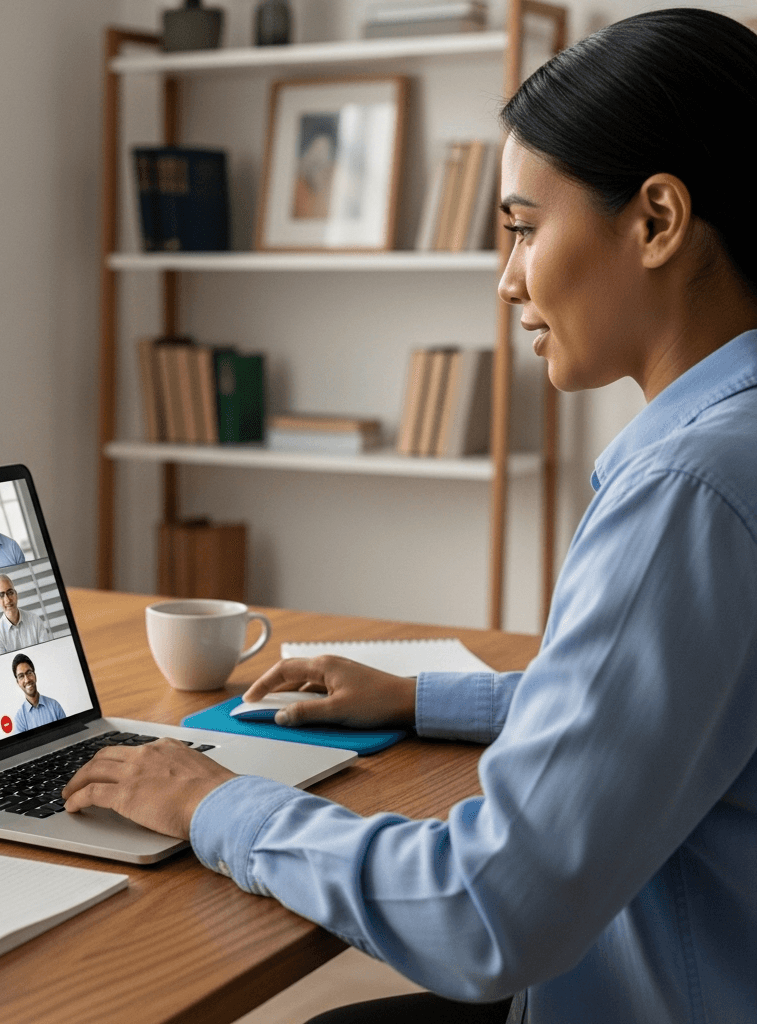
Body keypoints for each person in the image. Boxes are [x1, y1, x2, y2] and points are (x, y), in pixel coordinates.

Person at [59, 10, 757, 1023]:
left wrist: (208, 800)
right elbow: (673, 713)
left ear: (655, 220)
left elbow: (486, 909)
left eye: (522, 227)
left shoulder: (688, 491)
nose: (507, 277)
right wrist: (424, 698)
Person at [0, 573, 52, 655]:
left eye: (10, 593)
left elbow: (47, 652)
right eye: (1, 595)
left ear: (16, 594)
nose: (7, 600)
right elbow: (3, 664)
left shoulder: (35, 620)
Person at [11, 654, 65, 733]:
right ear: (18, 683)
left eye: (29, 673)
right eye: (21, 676)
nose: (27, 680)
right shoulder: (19, 719)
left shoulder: (54, 706)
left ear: (35, 676)